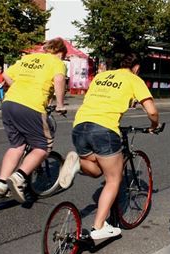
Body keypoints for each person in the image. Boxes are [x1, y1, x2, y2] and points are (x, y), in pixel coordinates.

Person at [58, 52, 160, 240]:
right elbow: (152, 111)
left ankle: (77, 163)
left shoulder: (101, 76)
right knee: (114, 179)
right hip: (104, 129)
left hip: (80, 125)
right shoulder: (133, 79)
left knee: (97, 171)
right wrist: (154, 126)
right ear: (136, 67)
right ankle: (99, 226)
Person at [0, 38, 68, 203]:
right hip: (32, 105)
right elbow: (59, 80)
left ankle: (1, 182)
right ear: (60, 52)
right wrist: (60, 104)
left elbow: (5, 75)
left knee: (17, 145)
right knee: (43, 146)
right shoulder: (56, 62)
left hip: (9, 103)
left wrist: (19, 88)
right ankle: (18, 177)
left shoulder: (28, 58)